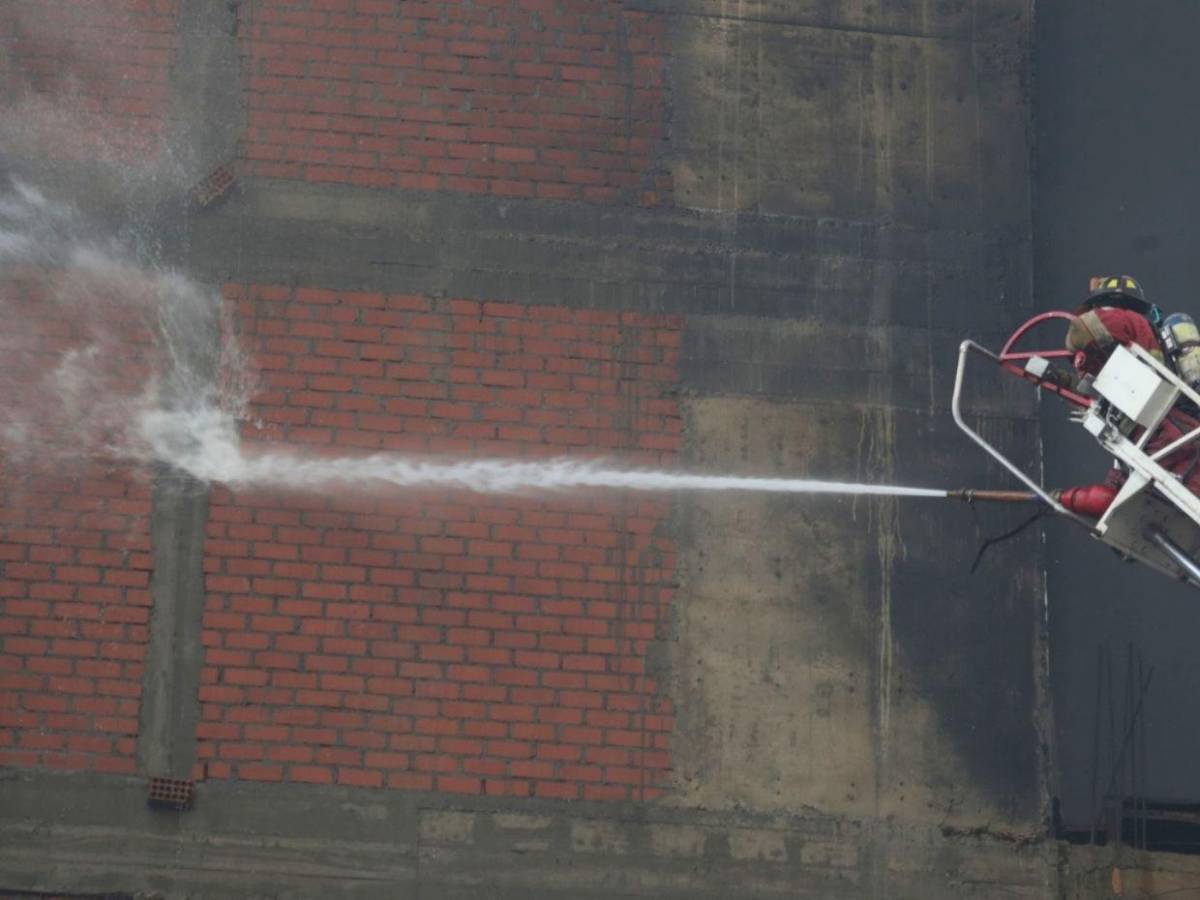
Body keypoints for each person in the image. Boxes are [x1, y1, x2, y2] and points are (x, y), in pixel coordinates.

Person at [1049, 276, 1200, 517]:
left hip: (1164, 437)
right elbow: (1103, 396)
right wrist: (1064, 381)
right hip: (1173, 435)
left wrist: (1075, 352)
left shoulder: (1125, 320)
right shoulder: (1136, 346)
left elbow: (1080, 331)